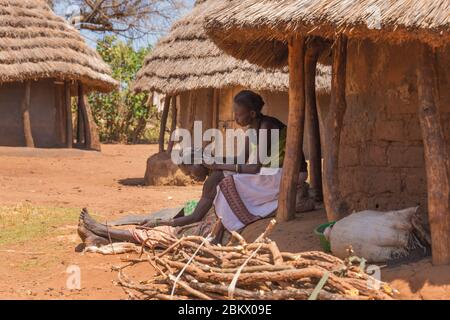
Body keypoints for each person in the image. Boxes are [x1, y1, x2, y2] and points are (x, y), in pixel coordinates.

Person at [77, 90, 307, 247]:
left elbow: (253, 167)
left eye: (238, 113)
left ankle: (192, 218)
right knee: (218, 173)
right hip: (265, 173)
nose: (235, 117)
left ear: (253, 113)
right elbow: (240, 159)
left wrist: (217, 163)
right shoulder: (253, 129)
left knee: (225, 179)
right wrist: (211, 160)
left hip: (282, 177)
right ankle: (193, 216)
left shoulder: (267, 126)